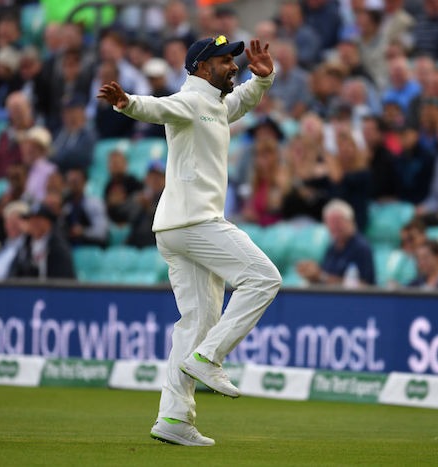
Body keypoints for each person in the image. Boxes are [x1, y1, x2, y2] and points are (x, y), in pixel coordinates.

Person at [98, 37, 281, 446]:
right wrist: (126, 102)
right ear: (200, 67)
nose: (233, 65)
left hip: (177, 228)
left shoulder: (215, 106)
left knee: (195, 324)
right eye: (224, 60)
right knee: (264, 279)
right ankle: (210, 358)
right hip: (194, 223)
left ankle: (174, 418)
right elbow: (159, 107)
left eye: (234, 60)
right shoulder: (189, 101)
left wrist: (263, 79)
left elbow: (242, 102)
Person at [296, 199, 375, 287]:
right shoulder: (332, 247)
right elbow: (325, 277)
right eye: (330, 222)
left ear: (350, 221)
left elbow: (365, 286)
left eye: (338, 222)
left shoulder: (361, 247)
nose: (334, 227)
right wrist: (313, 276)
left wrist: (321, 277)